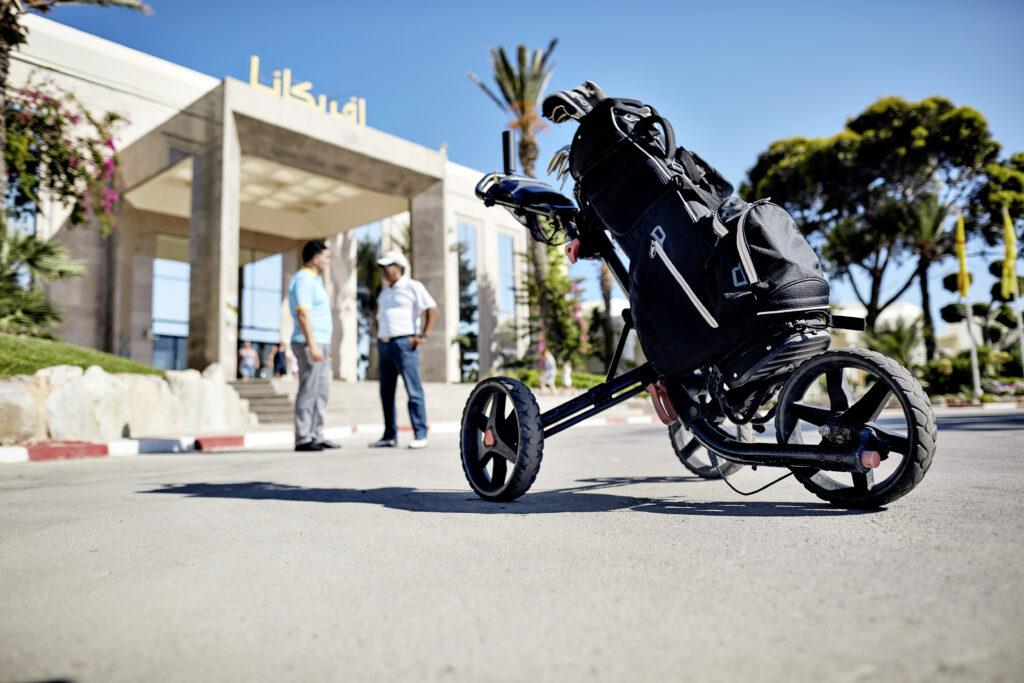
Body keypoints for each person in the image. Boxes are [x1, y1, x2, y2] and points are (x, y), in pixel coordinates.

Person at [369, 250, 437, 449]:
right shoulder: (385, 292)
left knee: (413, 390)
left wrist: (422, 335)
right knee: (386, 392)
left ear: (399, 267)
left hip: (405, 343)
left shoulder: (413, 286)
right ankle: (389, 436)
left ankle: (420, 433)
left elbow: (432, 308)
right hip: (384, 344)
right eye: (382, 267)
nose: (384, 270)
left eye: (388, 266)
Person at [288, 239, 339, 452]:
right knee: (309, 390)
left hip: (321, 342)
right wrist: (313, 345)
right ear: (315, 258)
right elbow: (303, 313)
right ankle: (303, 437)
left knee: (321, 390)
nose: (328, 261)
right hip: (308, 342)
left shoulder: (316, 280)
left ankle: (317, 434)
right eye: (326, 257)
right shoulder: (303, 279)